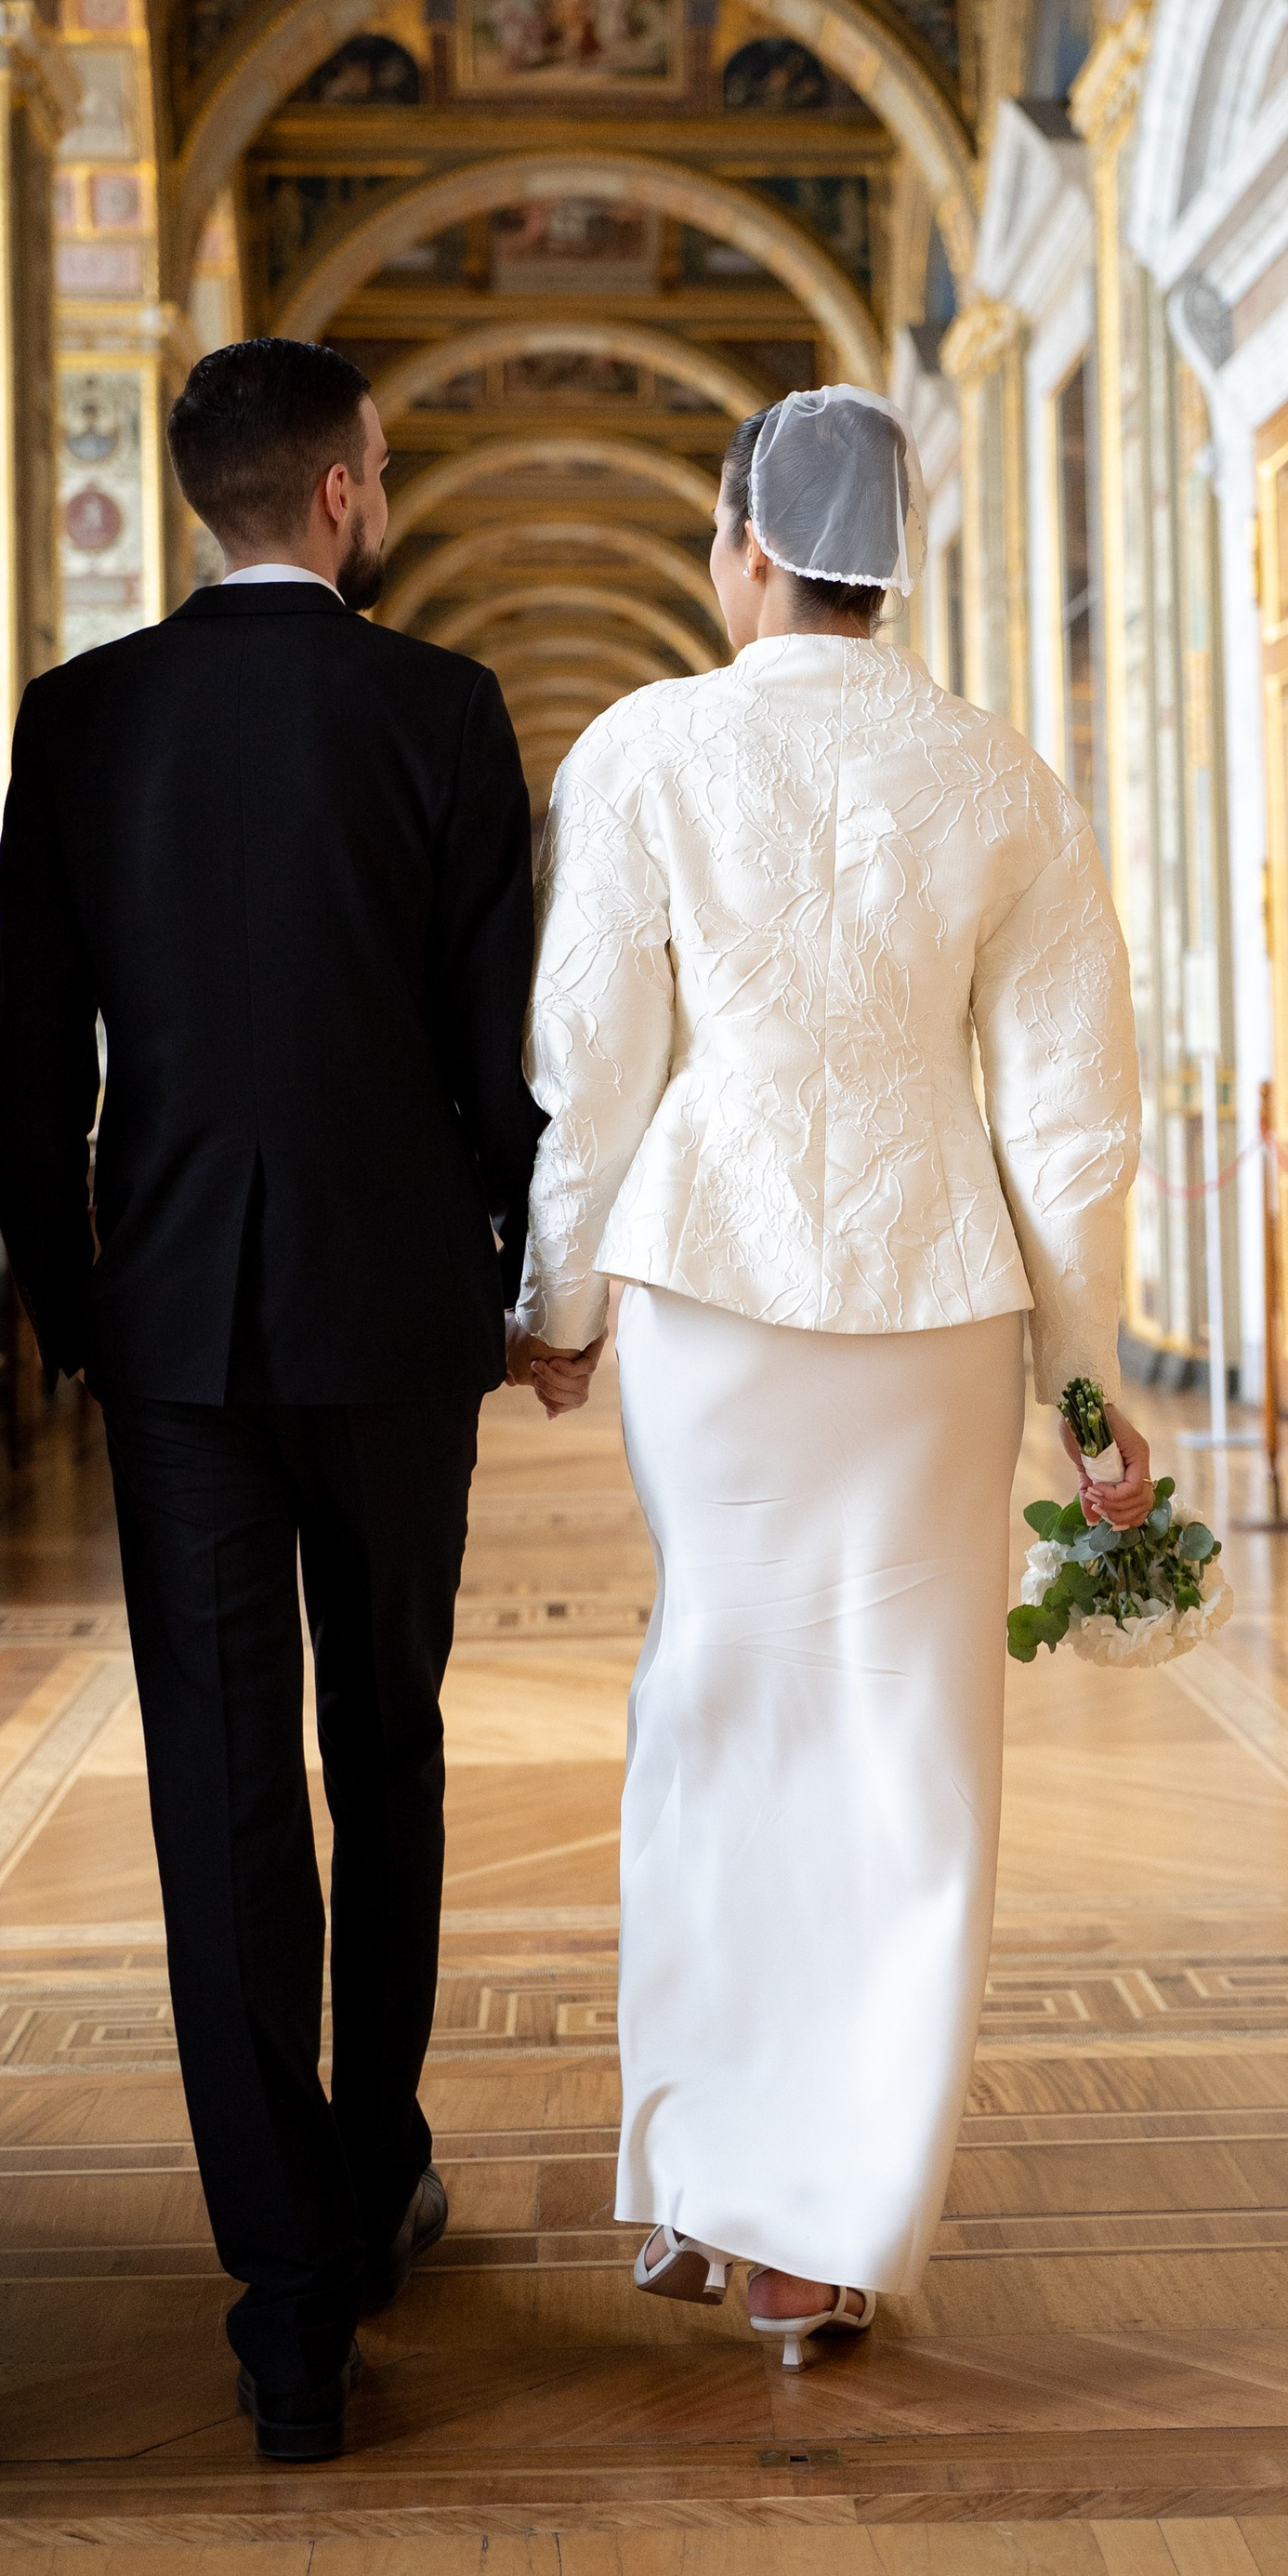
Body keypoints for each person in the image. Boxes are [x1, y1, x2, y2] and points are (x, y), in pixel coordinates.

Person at [510, 387, 1147, 2368]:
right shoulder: (1002, 777)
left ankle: (710, 2184)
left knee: (713, 1703)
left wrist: (554, 1299)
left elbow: (590, 1063)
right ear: (889, 559)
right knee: (910, 1748)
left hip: (707, 1285)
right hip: (930, 1289)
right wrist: (1088, 1373)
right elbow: (1068, 1120)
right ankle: (821, 2227)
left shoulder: (643, 747)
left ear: (746, 550)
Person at [0, 337, 545, 2464]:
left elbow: (36, 1060)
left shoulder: (81, 715)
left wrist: (74, 1311)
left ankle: (286, 2301)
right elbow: (499, 1067)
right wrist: (512, 1279)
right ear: (337, 497)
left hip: (181, 1334)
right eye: (383, 471)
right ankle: (377, 2163)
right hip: (393, 1330)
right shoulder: (439, 710)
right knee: (381, 1747)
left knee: (218, 1794)